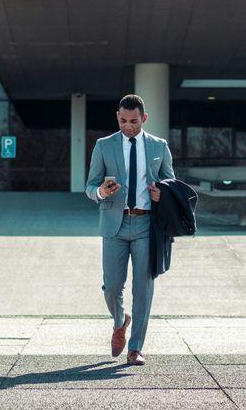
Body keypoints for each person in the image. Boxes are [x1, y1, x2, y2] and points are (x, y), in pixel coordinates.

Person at [85, 94, 175, 366]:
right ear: (117, 117)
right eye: (123, 121)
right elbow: (89, 187)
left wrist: (163, 193)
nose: (128, 126)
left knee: (143, 289)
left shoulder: (160, 146)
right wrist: (100, 191)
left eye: (134, 121)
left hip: (147, 224)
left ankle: (135, 348)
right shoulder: (104, 146)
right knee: (112, 287)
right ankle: (120, 319)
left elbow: (171, 181)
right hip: (114, 223)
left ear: (144, 118)